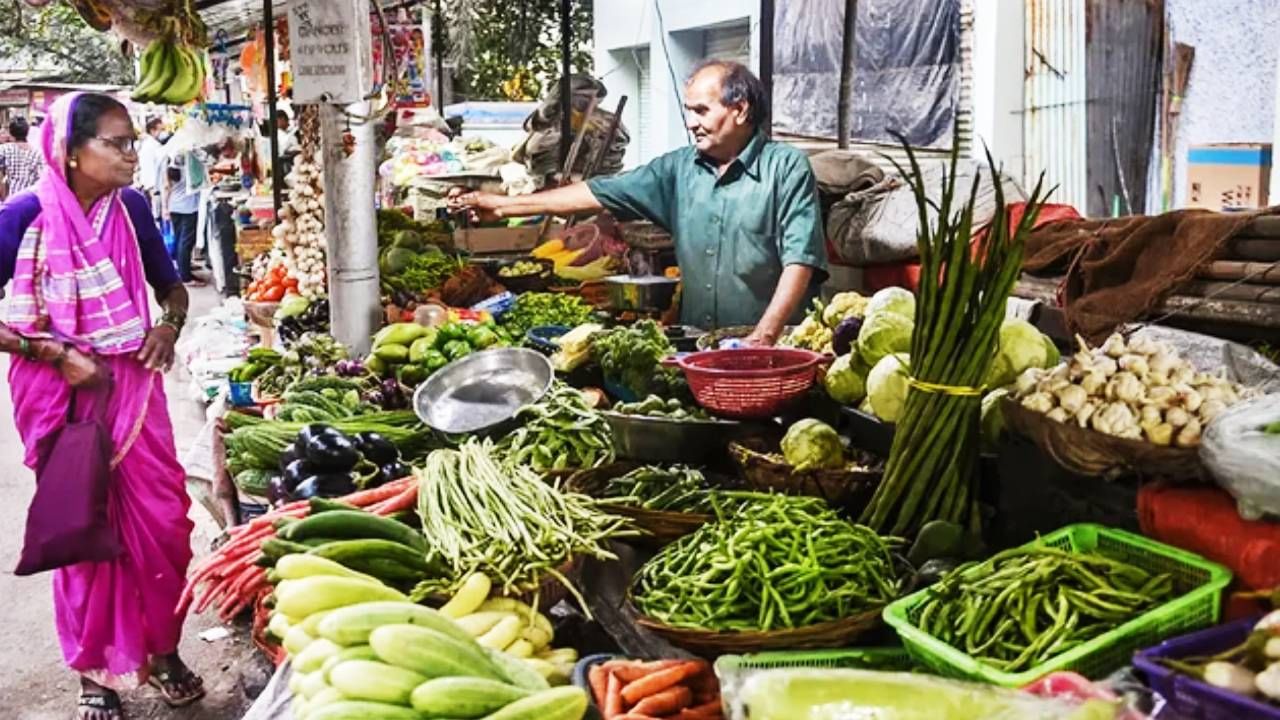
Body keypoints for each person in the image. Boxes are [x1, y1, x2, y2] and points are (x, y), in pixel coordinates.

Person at [0, 92, 203, 719]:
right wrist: (52, 353)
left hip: (133, 386)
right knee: (84, 526)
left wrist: (167, 326)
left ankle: (162, 649)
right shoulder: (21, 217)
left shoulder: (134, 207)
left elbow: (171, 285)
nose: (130, 154)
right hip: (60, 392)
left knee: (164, 522)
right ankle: (94, 672)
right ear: (70, 150)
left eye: (132, 141)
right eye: (115, 143)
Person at [450, 60, 828, 345]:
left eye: (701, 110)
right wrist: (501, 206)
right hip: (701, 347)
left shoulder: (785, 167)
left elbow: (801, 261)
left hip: (777, 350)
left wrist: (764, 336)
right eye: (688, 110)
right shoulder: (678, 170)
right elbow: (597, 192)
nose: (691, 122)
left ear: (740, 109)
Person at [162, 147, 211, 285]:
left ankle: (183, 268)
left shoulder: (169, 165)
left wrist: (165, 208)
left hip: (174, 206)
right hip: (189, 208)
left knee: (179, 239)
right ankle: (186, 277)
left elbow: (166, 187)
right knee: (186, 242)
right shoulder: (190, 164)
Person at [0, 116, 45, 200]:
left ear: (11, 133)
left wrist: (3, 198)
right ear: (27, 132)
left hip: (10, 198)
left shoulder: (4, 150)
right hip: (29, 199)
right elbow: (42, 179)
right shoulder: (37, 153)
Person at [135, 117, 166, 216]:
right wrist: (153, 189)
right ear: (152, 131)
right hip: (154, 188)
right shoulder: (151, 147)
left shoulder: (151, 145)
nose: (163, 133)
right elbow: (150, 169)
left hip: (154, 187)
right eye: (161, 130)